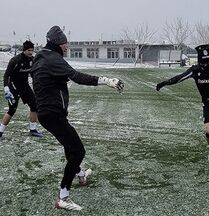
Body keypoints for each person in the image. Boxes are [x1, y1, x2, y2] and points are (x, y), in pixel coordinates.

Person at [31, 26, 124, 210]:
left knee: (69, 145)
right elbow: (77, 76)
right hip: (53, 113)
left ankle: (80, 175)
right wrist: (106, 81)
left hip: (46, 113)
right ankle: (63, 196)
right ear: (58, 42)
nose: (67, 46)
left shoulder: (41, 57)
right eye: (65, 43)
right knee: (78, 151)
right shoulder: (53, 58)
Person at [156, 44, 209, 165]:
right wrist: (165, 83)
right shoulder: (195, 70)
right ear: (199, 61)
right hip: (208, 104)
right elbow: (179, 78)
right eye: (203, 62)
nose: (205, 65)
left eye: (207, 61)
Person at [0, 40, 43, 138]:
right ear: (24, 50)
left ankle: (33, 129)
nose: (31, 52)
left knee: (34, 105)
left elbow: (32, 73)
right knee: (12, 110)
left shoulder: (32, 60)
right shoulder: (15, 60)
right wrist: (6, 88)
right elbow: (6, 75)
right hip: (13, 87)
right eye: (28, 50)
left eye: (32, 50)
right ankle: (0, 132)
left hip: (25, 86)